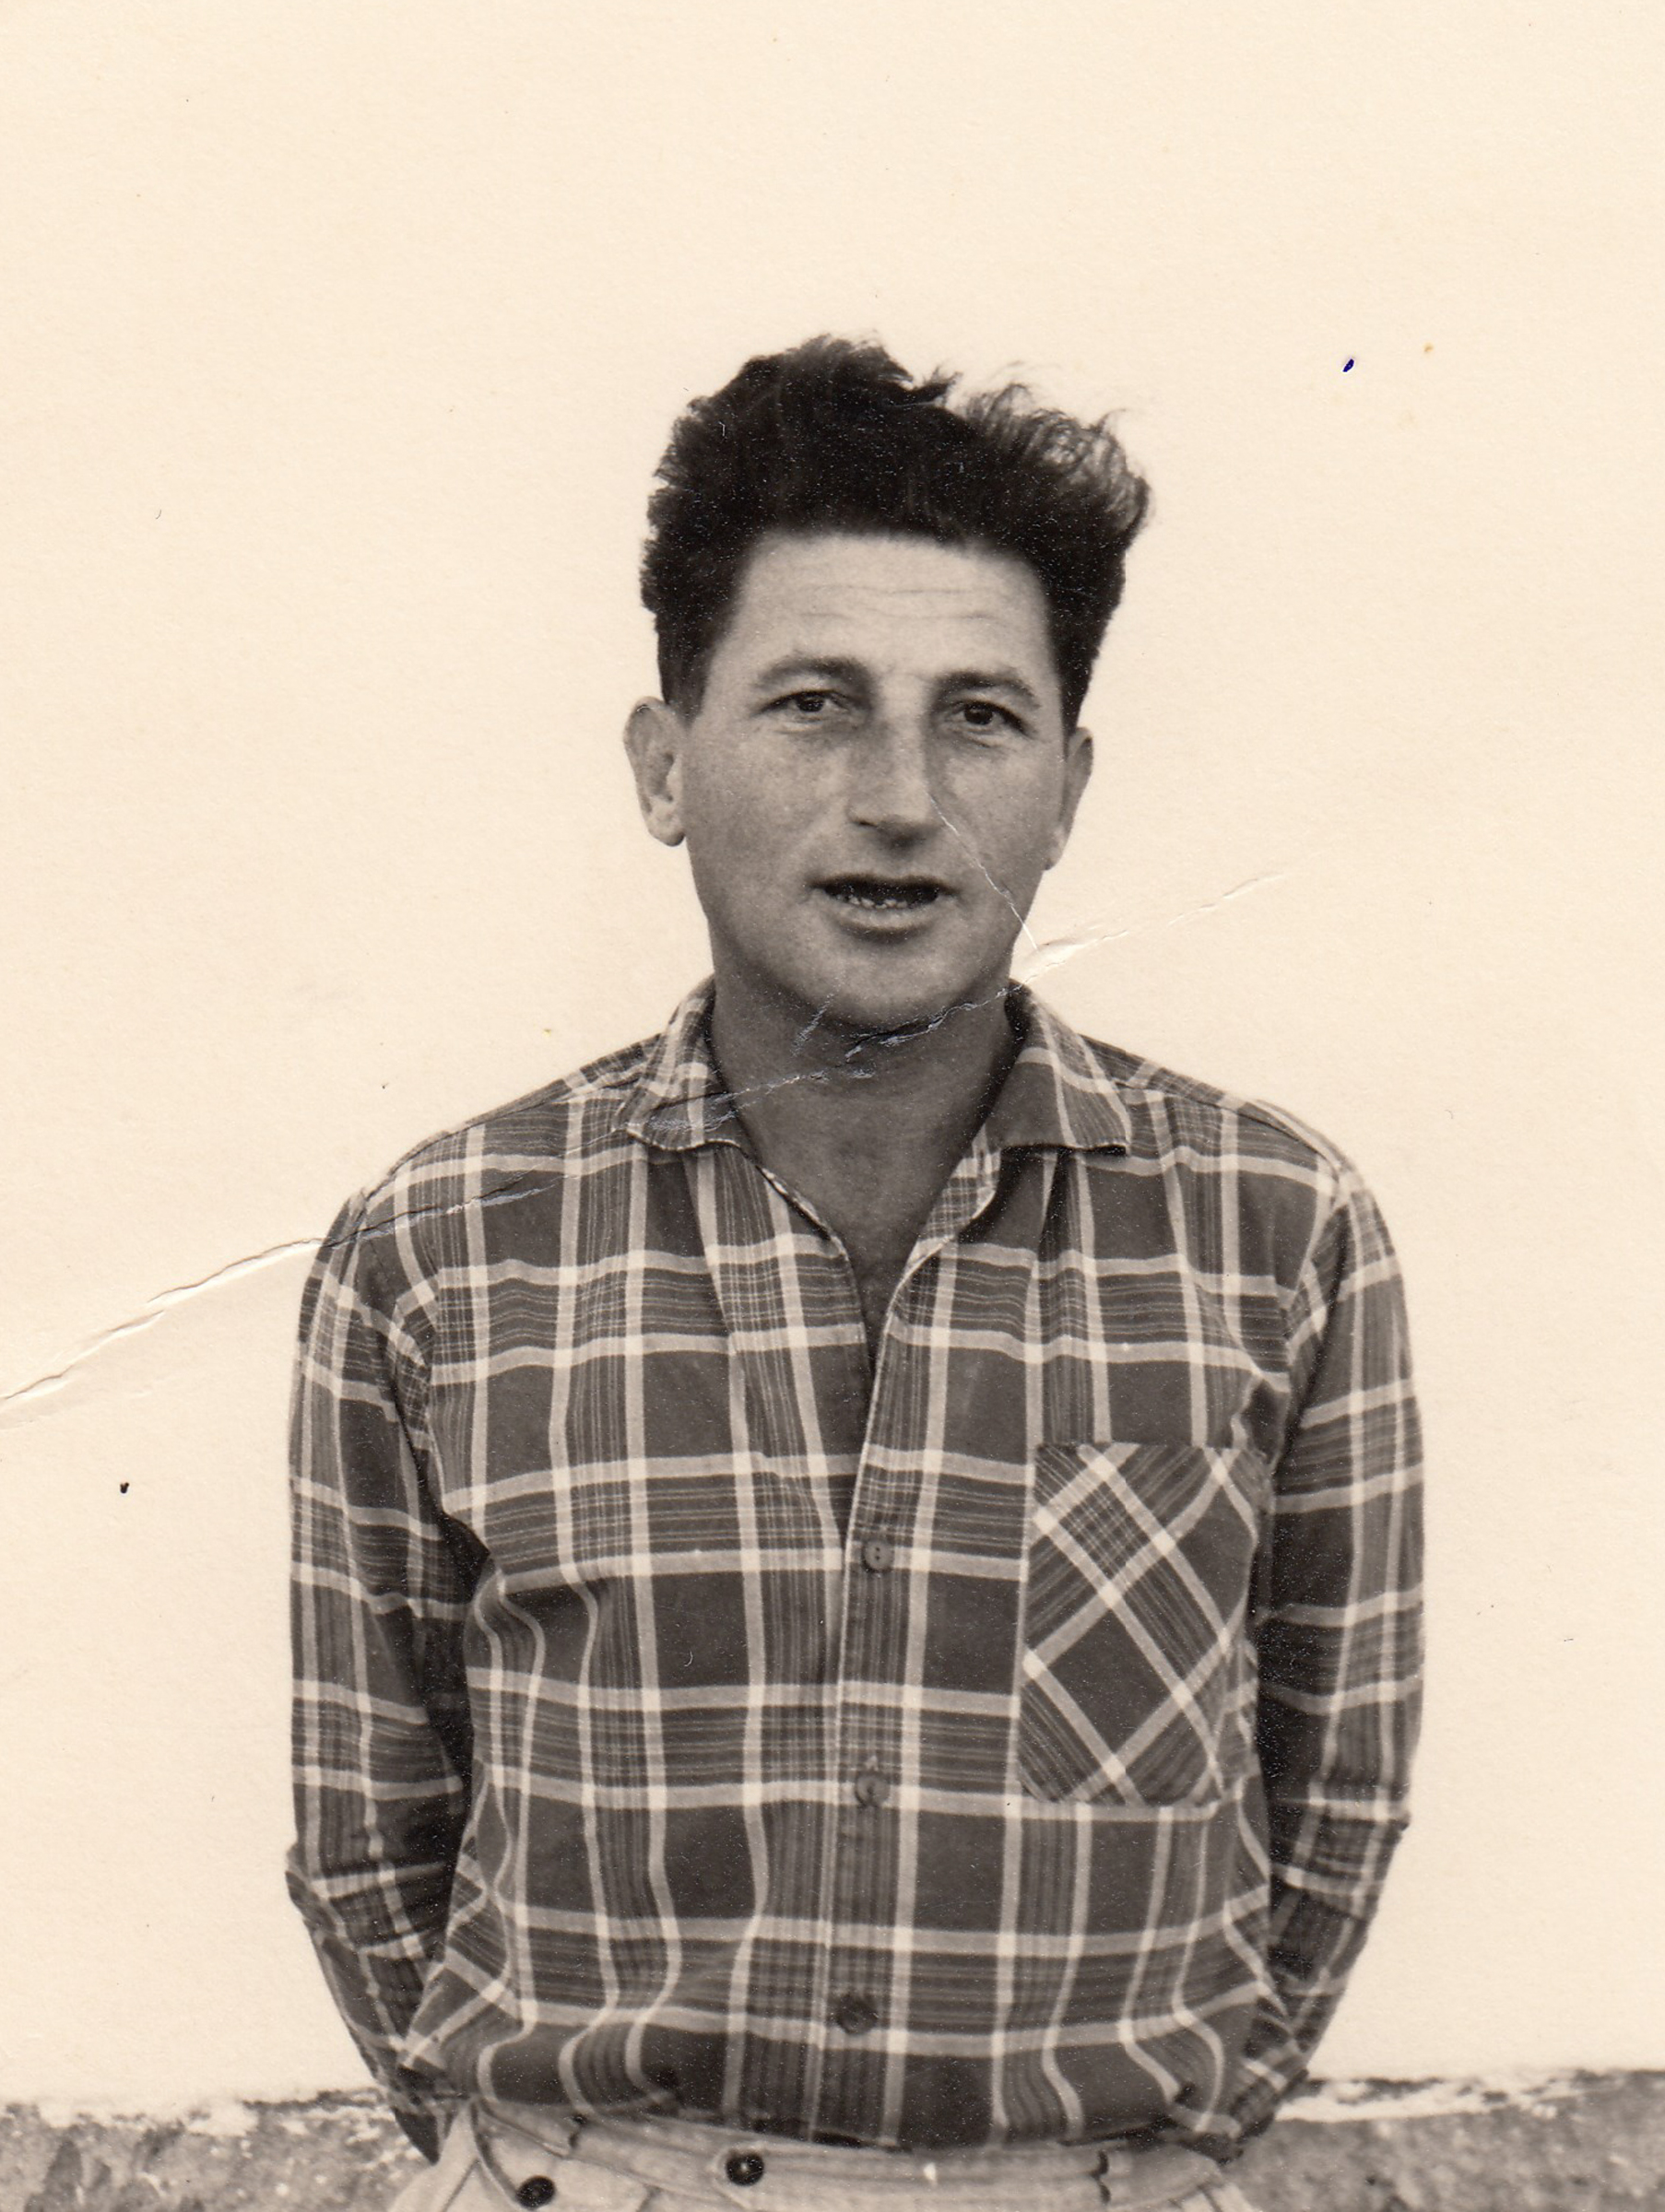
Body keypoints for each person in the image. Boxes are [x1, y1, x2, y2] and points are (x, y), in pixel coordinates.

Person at [289, 338, 1423, 2212]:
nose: (899, 797)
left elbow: (1335, 1790)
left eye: (980, 717)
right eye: (813, 705)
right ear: (664, 764)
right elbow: (368, 1830)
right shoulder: (445, 1245)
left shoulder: (1271, 1228)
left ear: (1067, 785)